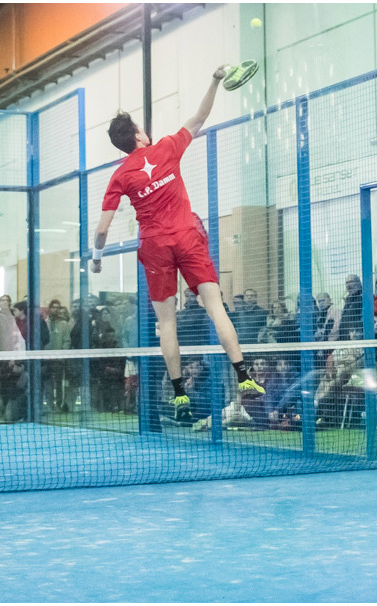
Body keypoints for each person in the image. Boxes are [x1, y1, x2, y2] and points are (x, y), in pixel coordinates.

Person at [92, 65, 264, 424]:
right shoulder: (168, 147)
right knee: (215, 307)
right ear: (138, 134)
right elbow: (200, 117)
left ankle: (179, 392)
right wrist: (214, 80)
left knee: (167, 323)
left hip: (154, 245)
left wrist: (96, 259)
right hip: (187, 236)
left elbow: (103, 229)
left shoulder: (120, 175)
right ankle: (243, 374)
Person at [340, 274, 364, 340]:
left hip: (356, 336)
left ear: (358, 283)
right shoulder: (349, 298)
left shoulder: (363, 297)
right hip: (346, 336)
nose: (348, 285)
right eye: (347, 283)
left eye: (351, 282)